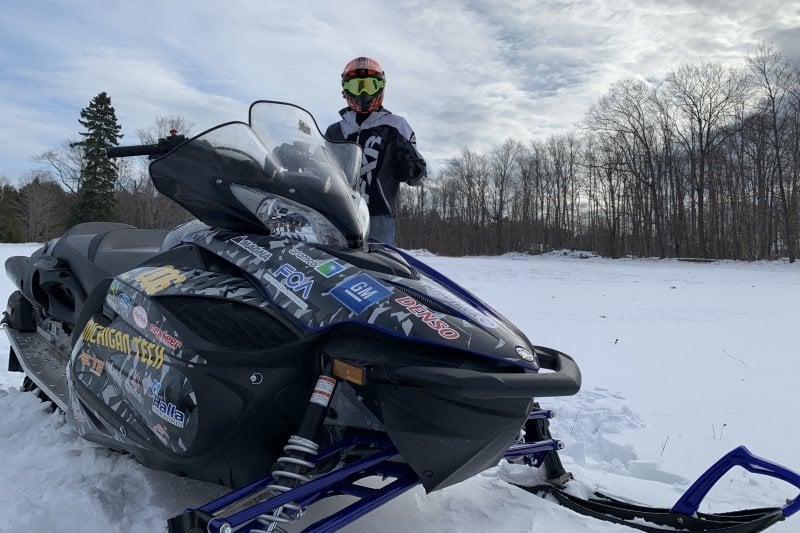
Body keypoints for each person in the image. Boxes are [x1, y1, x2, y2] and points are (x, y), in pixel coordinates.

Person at [325, 56, 426, 245]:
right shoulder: (335, 130)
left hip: (379, 214)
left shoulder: (396, 126)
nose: (363, 93)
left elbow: (421, 174)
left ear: (380, 87)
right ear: (345, 90)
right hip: (338, 212)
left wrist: (411, 169)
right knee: (334, 265)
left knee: (379, 266)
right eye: (356, 86)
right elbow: (321, 166)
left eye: (369, 86)